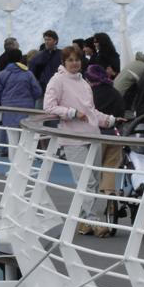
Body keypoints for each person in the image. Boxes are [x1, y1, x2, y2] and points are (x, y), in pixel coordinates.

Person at [44, 46, 118, 236]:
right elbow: (49, 107)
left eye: (77, 59)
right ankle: (92, 220)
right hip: (73, 139)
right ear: (64, 62)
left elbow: (90, 112)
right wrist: (72, 113)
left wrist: (109, 120)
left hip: (92, 136)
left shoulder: (84, 82)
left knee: (92, 181)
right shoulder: (57, 80)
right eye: (70, 60)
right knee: (86, 181)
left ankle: (84, 220)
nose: (75, 63)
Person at [85, 63, 125, 235]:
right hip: (114, 135)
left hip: (96, 136)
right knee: (110, 170)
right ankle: (111, 201)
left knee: (91, 176)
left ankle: (88, 216)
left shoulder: (90, 94)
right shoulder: (115, 92)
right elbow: (122, 112)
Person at [0, 49, 42, 162]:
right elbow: (37, 91)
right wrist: (30, 99)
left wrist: (4, 100)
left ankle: (13, 170)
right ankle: (24, 167)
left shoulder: (3, 74)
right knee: (26, 140)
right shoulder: (28, 73)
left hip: (9, 111)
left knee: (12, 141)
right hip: (26, 111)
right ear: (21, 59)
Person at [28, 30, 61, 95]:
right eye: (45, 40)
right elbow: (32, 73)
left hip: (59, 89)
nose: (46, 42)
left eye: (49, 39)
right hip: (43, 90)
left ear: (55, 41)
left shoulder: (62, 55)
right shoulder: (38, 56)